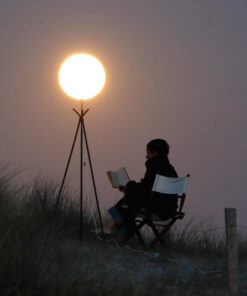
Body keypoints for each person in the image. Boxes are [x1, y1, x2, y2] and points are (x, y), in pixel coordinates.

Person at [92, 139, 178, 236]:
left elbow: (145, 188)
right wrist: (129, 190)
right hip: (169, 209)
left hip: (158, 209)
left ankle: (120, 232)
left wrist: (129, 185)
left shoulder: (155, 166)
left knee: (125, 202)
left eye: (148, 153)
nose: (146, 156)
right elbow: (150, 189)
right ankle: (114, 230)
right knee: (127, 199)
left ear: (154, 153)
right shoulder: (170, 169)